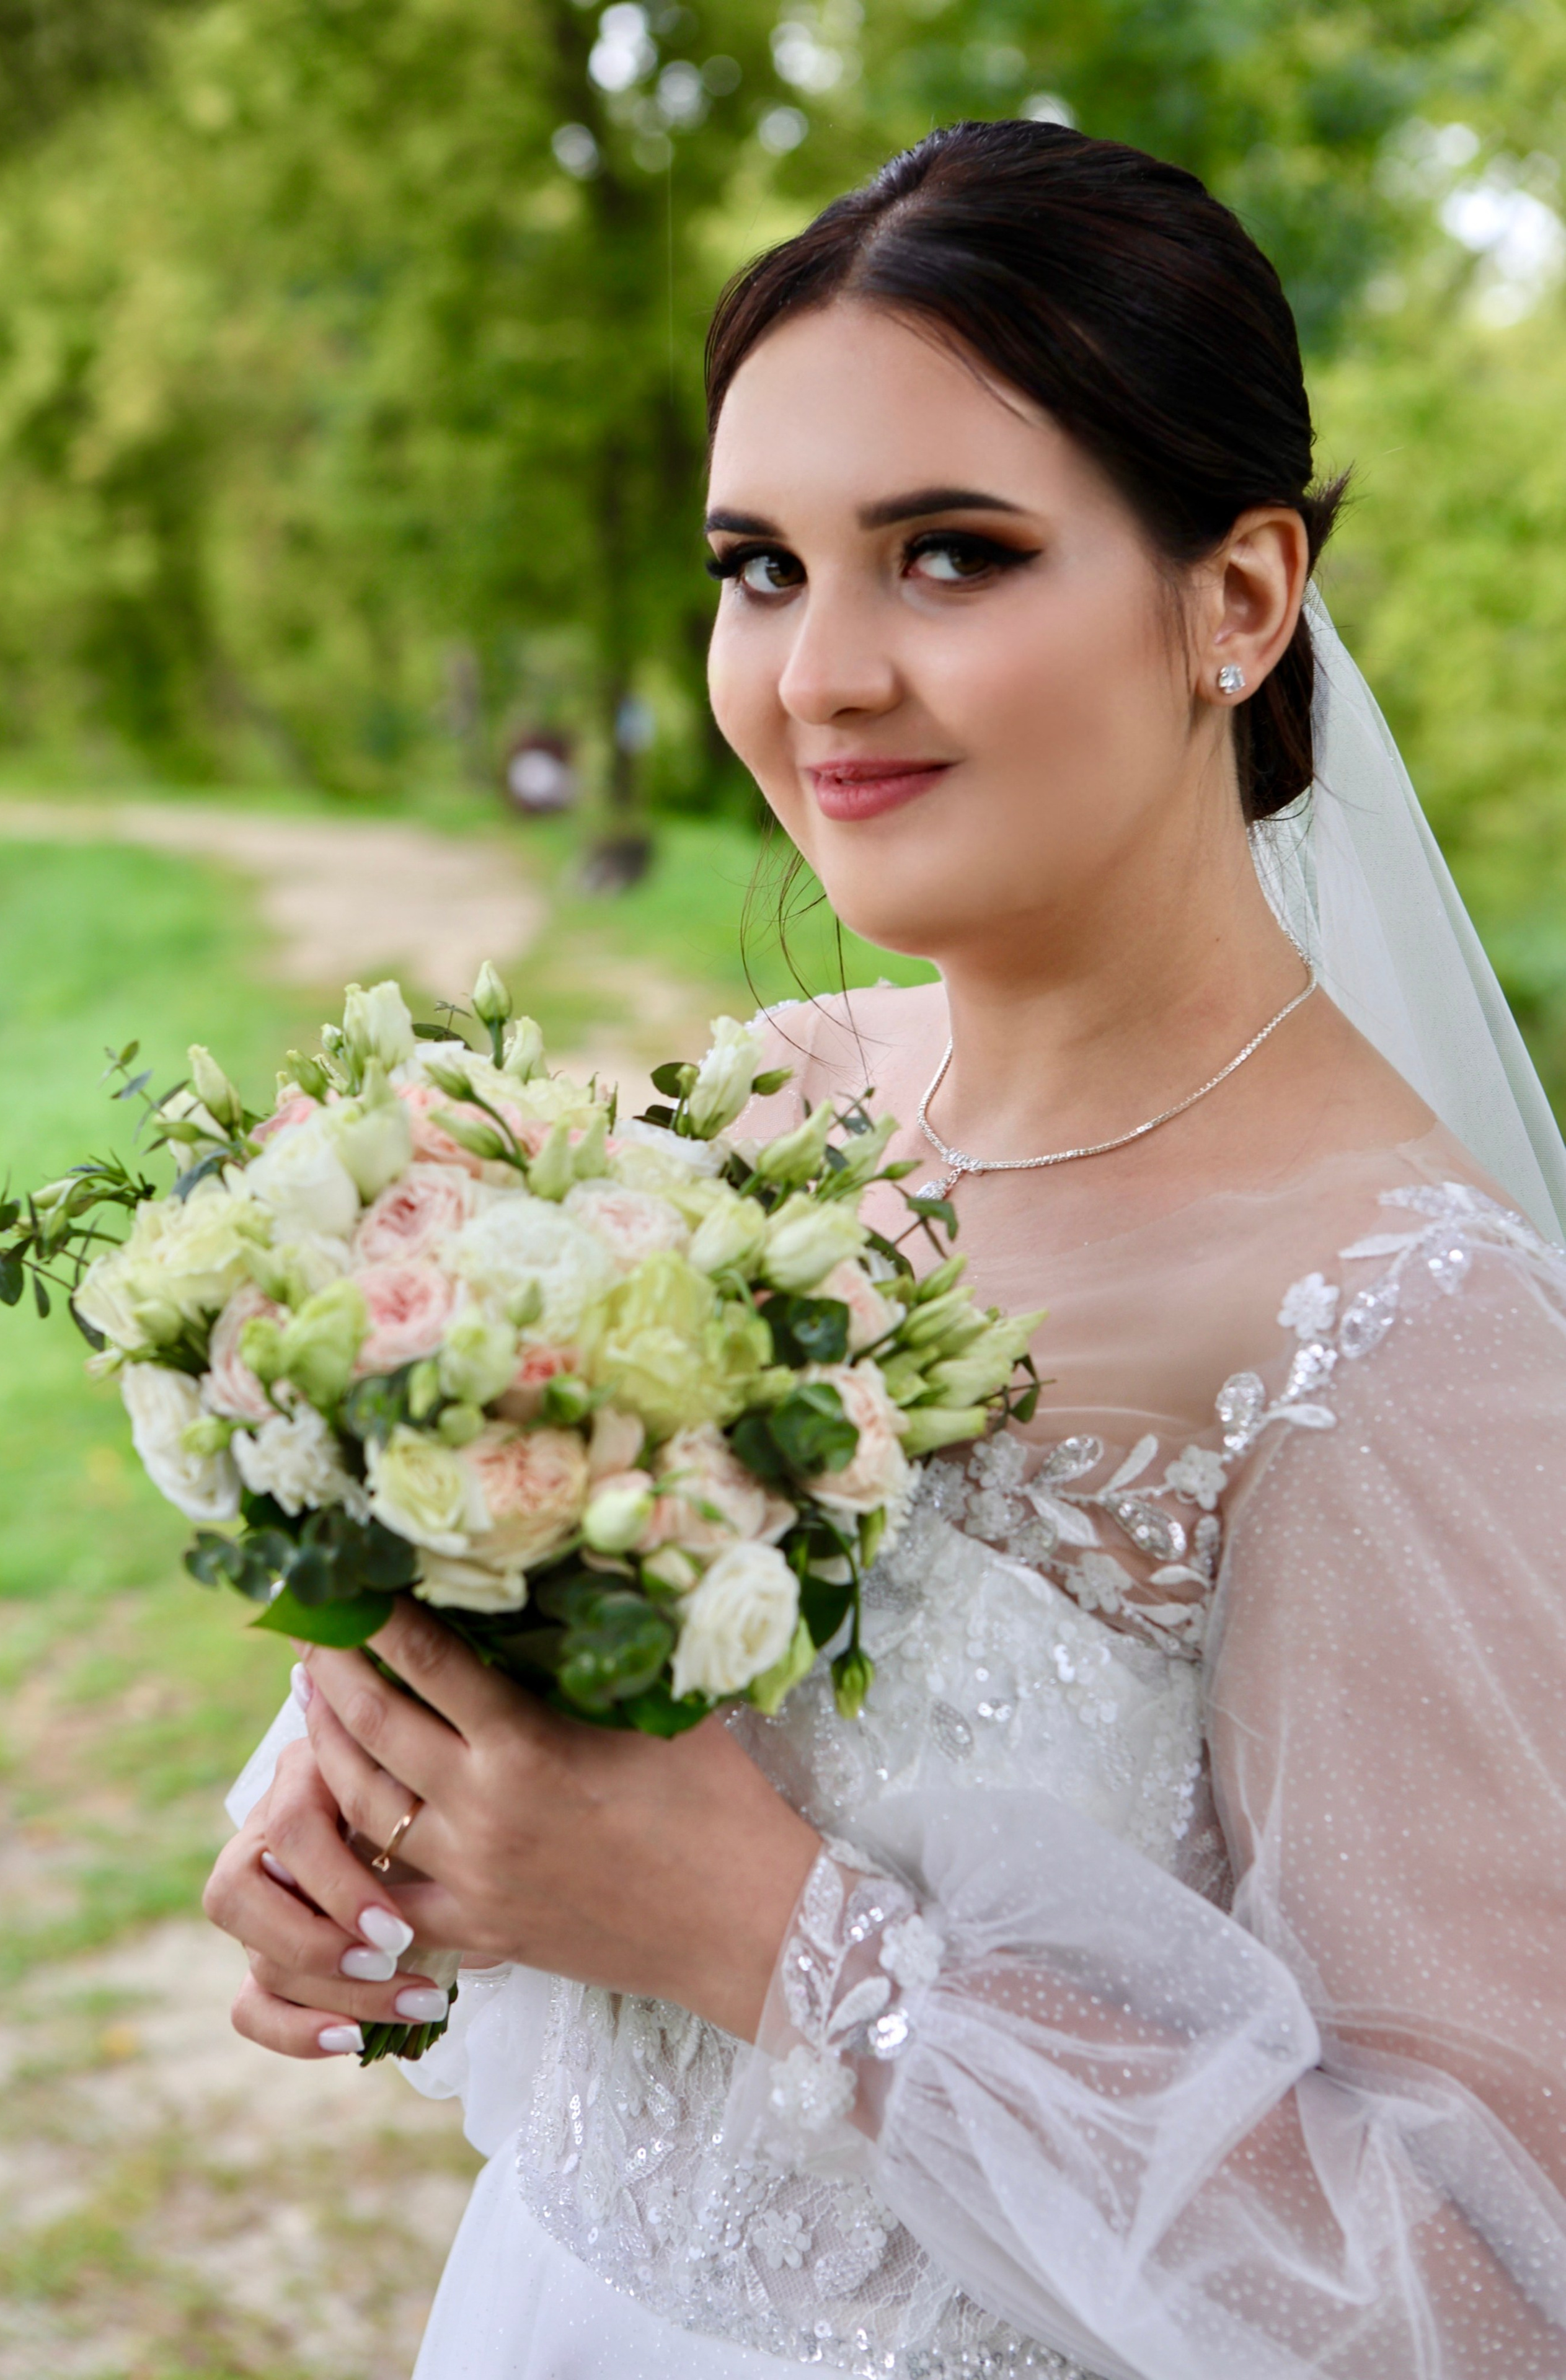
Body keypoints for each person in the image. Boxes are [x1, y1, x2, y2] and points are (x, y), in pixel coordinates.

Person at [202, 121, 1566, 2379]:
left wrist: (774, 1935)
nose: (820, 674)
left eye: (949, 555)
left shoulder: (1403, 1336)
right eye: (762, 566)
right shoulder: (765, 1112)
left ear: (1239, 598)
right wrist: (372, 1812)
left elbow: (1483, 2300)